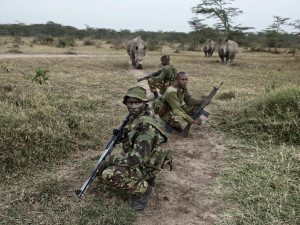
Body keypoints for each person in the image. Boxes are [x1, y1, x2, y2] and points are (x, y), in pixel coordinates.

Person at [96, 86, 171, 211]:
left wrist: (108, 159)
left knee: (108, 174)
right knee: (112, 164)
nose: (133, 106)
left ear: (144, 103)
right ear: (126, 103)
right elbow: (132, 131)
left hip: (145, 162)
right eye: (130, 103)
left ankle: (145, 191)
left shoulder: (146, 127)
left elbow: (136, 159)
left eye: (137, 102)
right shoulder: (141, 113)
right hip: (149, 156)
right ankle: (147, 178)